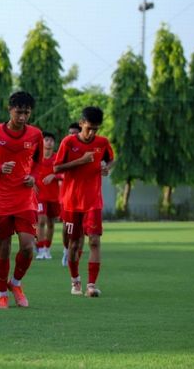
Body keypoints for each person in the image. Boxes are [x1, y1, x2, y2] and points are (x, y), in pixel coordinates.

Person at [0, 91, 43, 309]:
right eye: (19, 112)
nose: (23, 117)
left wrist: (32, 177)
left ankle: (15, 283)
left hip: (25, 199)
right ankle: (1, 294)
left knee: (28, 246)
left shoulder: (35, 135)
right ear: (10, 110)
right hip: (0, 200)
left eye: (26, 112)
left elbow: (38, 162)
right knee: (3, 248)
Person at [54, 106, 114, 298]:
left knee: (94, 241)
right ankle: (75, 281)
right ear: (81, 124)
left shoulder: (103, 143)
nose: (92, 133)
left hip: (93, 202)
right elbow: (56, 167)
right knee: (73, 244)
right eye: (89, 128)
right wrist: (81, 160)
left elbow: (110, 160)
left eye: (96, 129)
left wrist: (106, 167)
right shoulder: (68, 142)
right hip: (72, 202)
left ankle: (91, 285)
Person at [35, 131, 61, 260]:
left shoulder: (58, 158)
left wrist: (54, 176)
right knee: (41, 221)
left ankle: (47, 248)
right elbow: (28, 171)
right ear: (42, 142)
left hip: (54, 196)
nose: (49, 142)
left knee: (51, 223)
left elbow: (65, 174)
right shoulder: (37, 158)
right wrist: (32, 183)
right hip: (40, 196)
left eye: (51, 140)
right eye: (46, 139)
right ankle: (40, 249)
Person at [61, 122, 81, 267]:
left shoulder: (86, 150)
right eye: (70, 133)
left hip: (84, 197)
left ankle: (75, 256)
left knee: (82, 230)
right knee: (66, 228)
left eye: (74, 133)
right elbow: (56, 168)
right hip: (67, 196)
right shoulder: (65, 150)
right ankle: (66, 250)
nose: (71, 136)